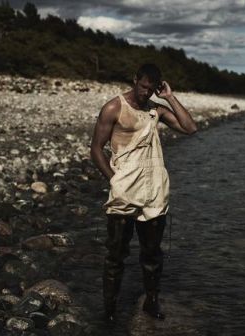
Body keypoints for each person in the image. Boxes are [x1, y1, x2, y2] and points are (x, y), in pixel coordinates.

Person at [90, 63, 197, 322]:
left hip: (154, 192)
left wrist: (169, 97)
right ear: (135, 79)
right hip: (124, 193)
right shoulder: (114, 107)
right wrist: (115, 181)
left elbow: (190, 128)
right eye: (143, 87)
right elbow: (96, 149)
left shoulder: (155, 110)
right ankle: (110, 311)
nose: (145, 93)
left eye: (151, 89)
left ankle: (151, 302)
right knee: (116, 255)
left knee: (152, 254)